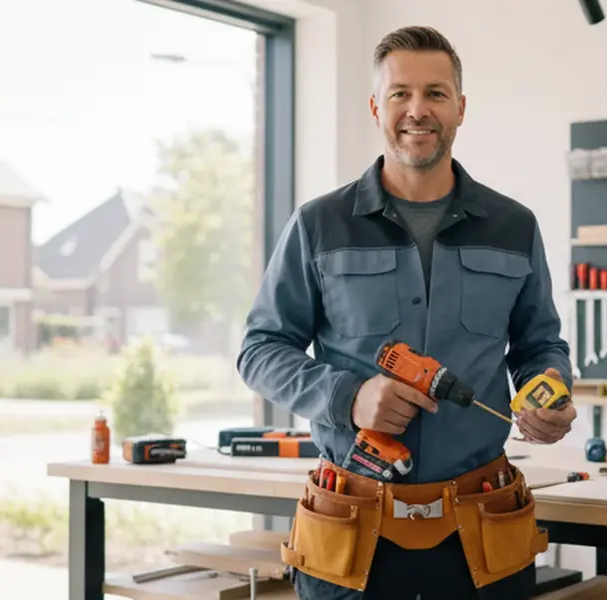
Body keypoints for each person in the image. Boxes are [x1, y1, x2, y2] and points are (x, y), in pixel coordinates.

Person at [236, 25, 576, 600]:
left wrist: (551, 386)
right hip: (353, 524)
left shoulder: (515, 227)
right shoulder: (319, 225)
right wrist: (349, 396)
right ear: (376, 106)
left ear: (461, 108)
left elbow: (541, 345)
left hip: (481, 528)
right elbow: (260, 350)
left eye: (436, 93)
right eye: (400, 94)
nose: (418, 110)